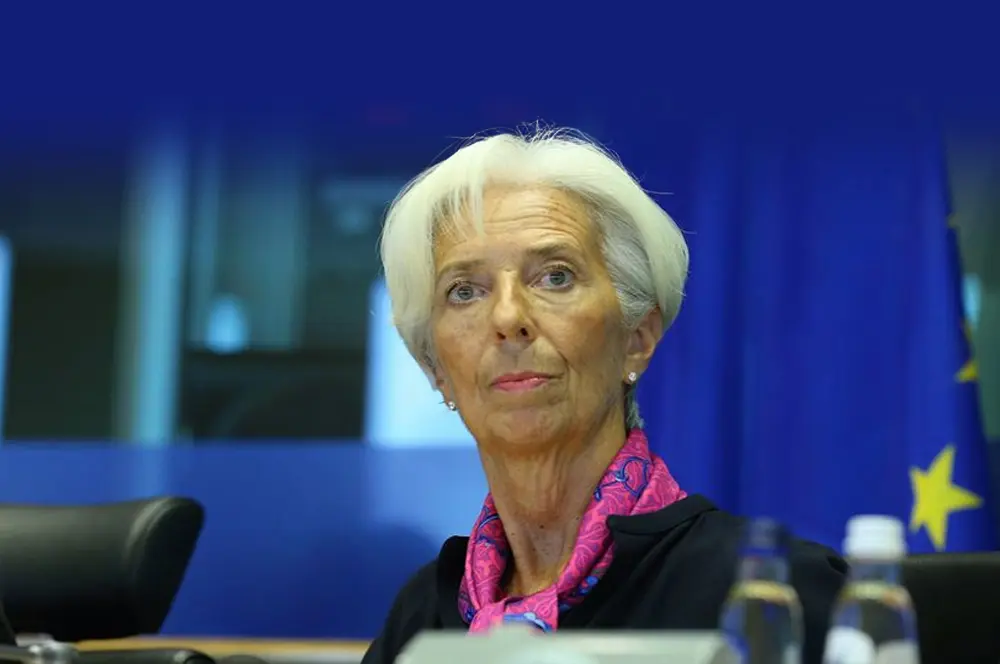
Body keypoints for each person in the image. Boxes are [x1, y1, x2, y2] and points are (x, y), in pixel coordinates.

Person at [363, 127, 847, 664]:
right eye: (464, 291)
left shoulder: (773, 598)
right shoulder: (420, 620)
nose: (507, 317)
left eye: (555, 277)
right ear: (436, 369)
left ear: (637, 339)